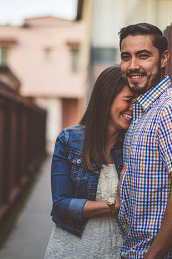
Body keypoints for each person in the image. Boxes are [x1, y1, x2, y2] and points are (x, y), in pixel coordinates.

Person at [118, 23, 172, 258]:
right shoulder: (142, 112)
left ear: (164, 59)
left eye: (143, 56)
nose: (133, 65)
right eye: (126, 57)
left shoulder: (171, 110)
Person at [44, 65, 136, 259]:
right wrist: (113, 204)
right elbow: (61, 204)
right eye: (128, 100)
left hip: (118, 249)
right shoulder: (69, 140)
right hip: (73, 248)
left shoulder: (134, 144)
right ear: (106, 99)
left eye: (137, 102)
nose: (132, 108)